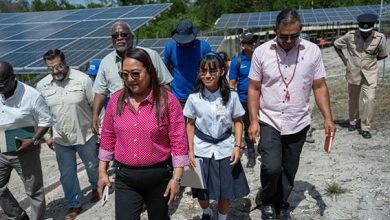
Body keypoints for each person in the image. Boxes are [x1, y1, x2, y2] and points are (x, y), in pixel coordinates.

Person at [247, 9, 336, 219]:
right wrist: (253, 120)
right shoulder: (261, 52)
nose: (289, 40)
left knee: (289, 168)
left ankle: (282, 203)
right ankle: (267, 200)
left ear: (301, 31)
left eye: (294, 36)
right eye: (284, 36)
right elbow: (254, 88)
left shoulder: (312, 51)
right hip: (269, 118)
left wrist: (328, 118)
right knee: (271, 166)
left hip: (298, 120)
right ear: (274, 30)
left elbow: (320, 86)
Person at [97, 48, 189, 220]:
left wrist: (176, 179)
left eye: (135, 74)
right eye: (124, 75)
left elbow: (179, 142)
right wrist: (102, 172)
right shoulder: (116, 101)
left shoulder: (168, 101)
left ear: (149, 71)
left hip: (158, 177)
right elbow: (108, 137)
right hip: (125, 178)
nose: (130, 80)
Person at [183, 52, 250, 220]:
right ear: (199, 72)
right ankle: (206, 211)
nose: (207, 75)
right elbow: (190, 124)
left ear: (222, 71)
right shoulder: (193, 98)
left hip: (225, 148)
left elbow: (238, 121)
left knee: (224, 191)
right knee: (199, 190)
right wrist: (190, 151)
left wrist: (237, 145)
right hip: (200, 148)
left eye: (212, 71)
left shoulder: (232, 97)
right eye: (203, 71)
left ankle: (222, 217)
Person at [36, 49, 100, 220]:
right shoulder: (42, 86)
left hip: (85, 133)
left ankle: (96, 187)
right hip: (61, 139)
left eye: (59, 66)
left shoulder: (82, 79)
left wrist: (99, 128)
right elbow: (41, 115)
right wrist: (47, 137)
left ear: (65, 62)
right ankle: (74, 204)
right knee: (66, 174)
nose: (56, 71)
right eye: (51, 68)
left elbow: (96, 105)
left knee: (92, 165)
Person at [92, 21, 173, 135]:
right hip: (120, 115)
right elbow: (100, 92)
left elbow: (164, 85)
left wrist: (168, 111)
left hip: (150, 113)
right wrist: (95, 115)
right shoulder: (106, 62)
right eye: (115, 36)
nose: (119, 38)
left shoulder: (150, 55)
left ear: (132, 36)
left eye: (124, 34)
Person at [0, 61, 52, 220]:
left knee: (34, 191)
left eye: (2, 83)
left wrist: (34, 140)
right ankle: (19, 216)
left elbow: (46, 120)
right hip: (1, 150)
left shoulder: (32, 95)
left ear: (13, 77)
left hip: (26, 150)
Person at [333, 13, 388, 139]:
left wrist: (370, 61)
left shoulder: (380, 38)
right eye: (362, 31)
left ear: (372, 28)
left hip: (370, 73)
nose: (364, 33)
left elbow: (383, 54)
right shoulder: (350, 36)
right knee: (353, 99)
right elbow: (336, 44)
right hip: (353, 72)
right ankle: (353, 121)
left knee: (369, 99)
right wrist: (345, 61)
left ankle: (365, 127)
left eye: (367, 31)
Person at [164, 19, 212, 107]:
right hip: (178, 97)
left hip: (200, 95)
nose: (184, 43)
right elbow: (165, 72)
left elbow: (212, 70)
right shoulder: (170, 47)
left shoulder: (203, 47)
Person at [229, 32, 259, 168]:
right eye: (249, 42)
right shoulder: (237, 61)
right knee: (248, 126)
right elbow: (232, 82)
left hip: (263, 99)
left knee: (266, 125)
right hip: (244, 100)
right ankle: (252, 155)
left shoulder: (260, 58)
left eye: (254, 42)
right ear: (242, 46)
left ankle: (265, 149)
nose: (253, 44)